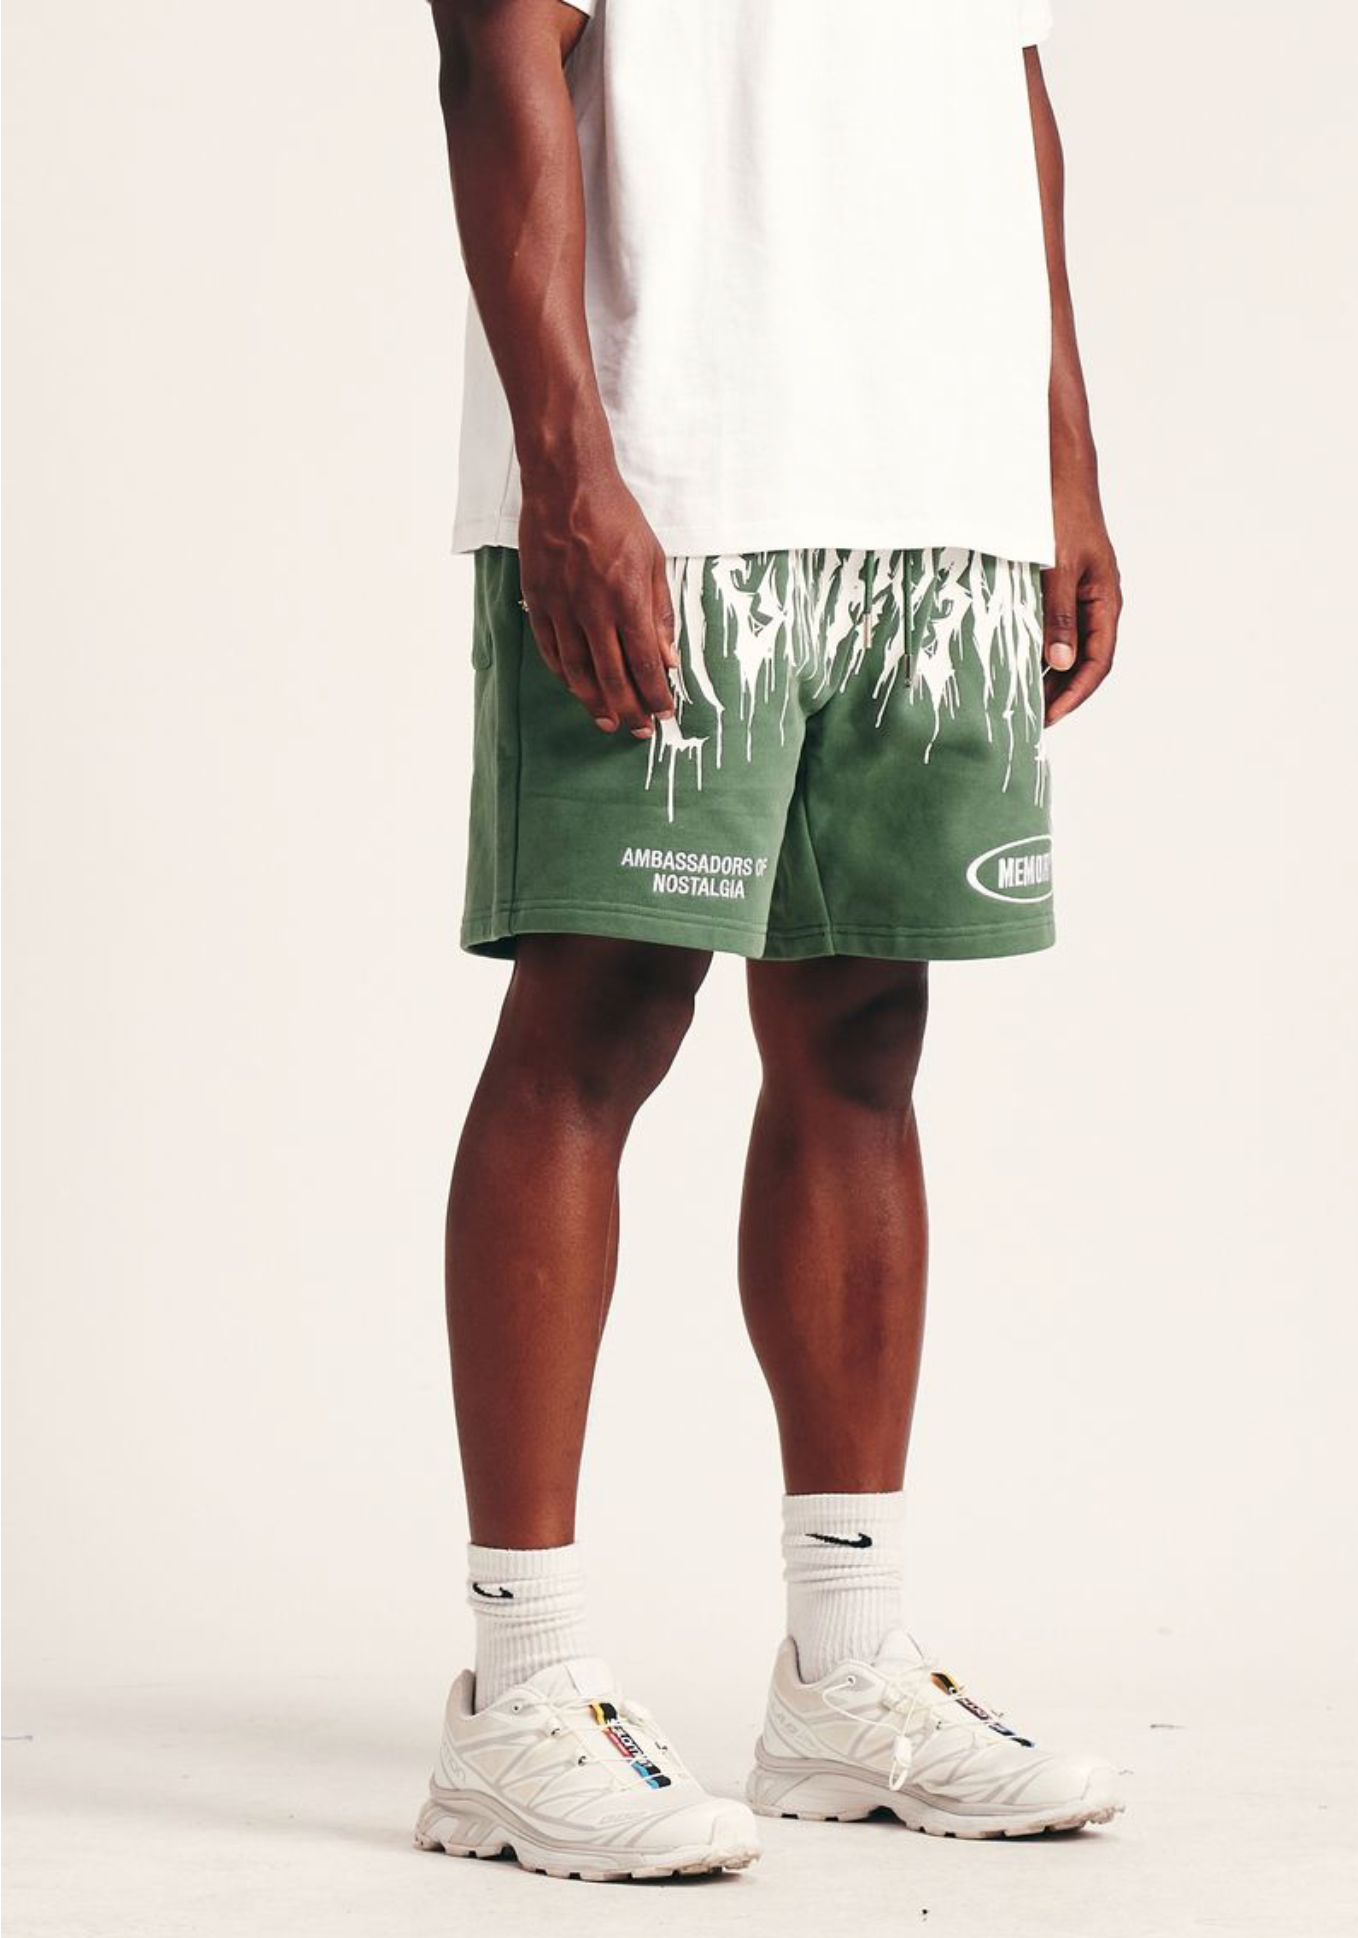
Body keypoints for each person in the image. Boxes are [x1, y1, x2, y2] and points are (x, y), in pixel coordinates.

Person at [414, 0, 1124, 1882]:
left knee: (866, 1031)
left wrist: (1055, 451)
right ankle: (517, 1694)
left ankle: (845, 1671)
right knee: (598, 1010)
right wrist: (566, 464)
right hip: (674, 465)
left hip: (928, 480)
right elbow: (495, 48)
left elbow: (1012, 83)